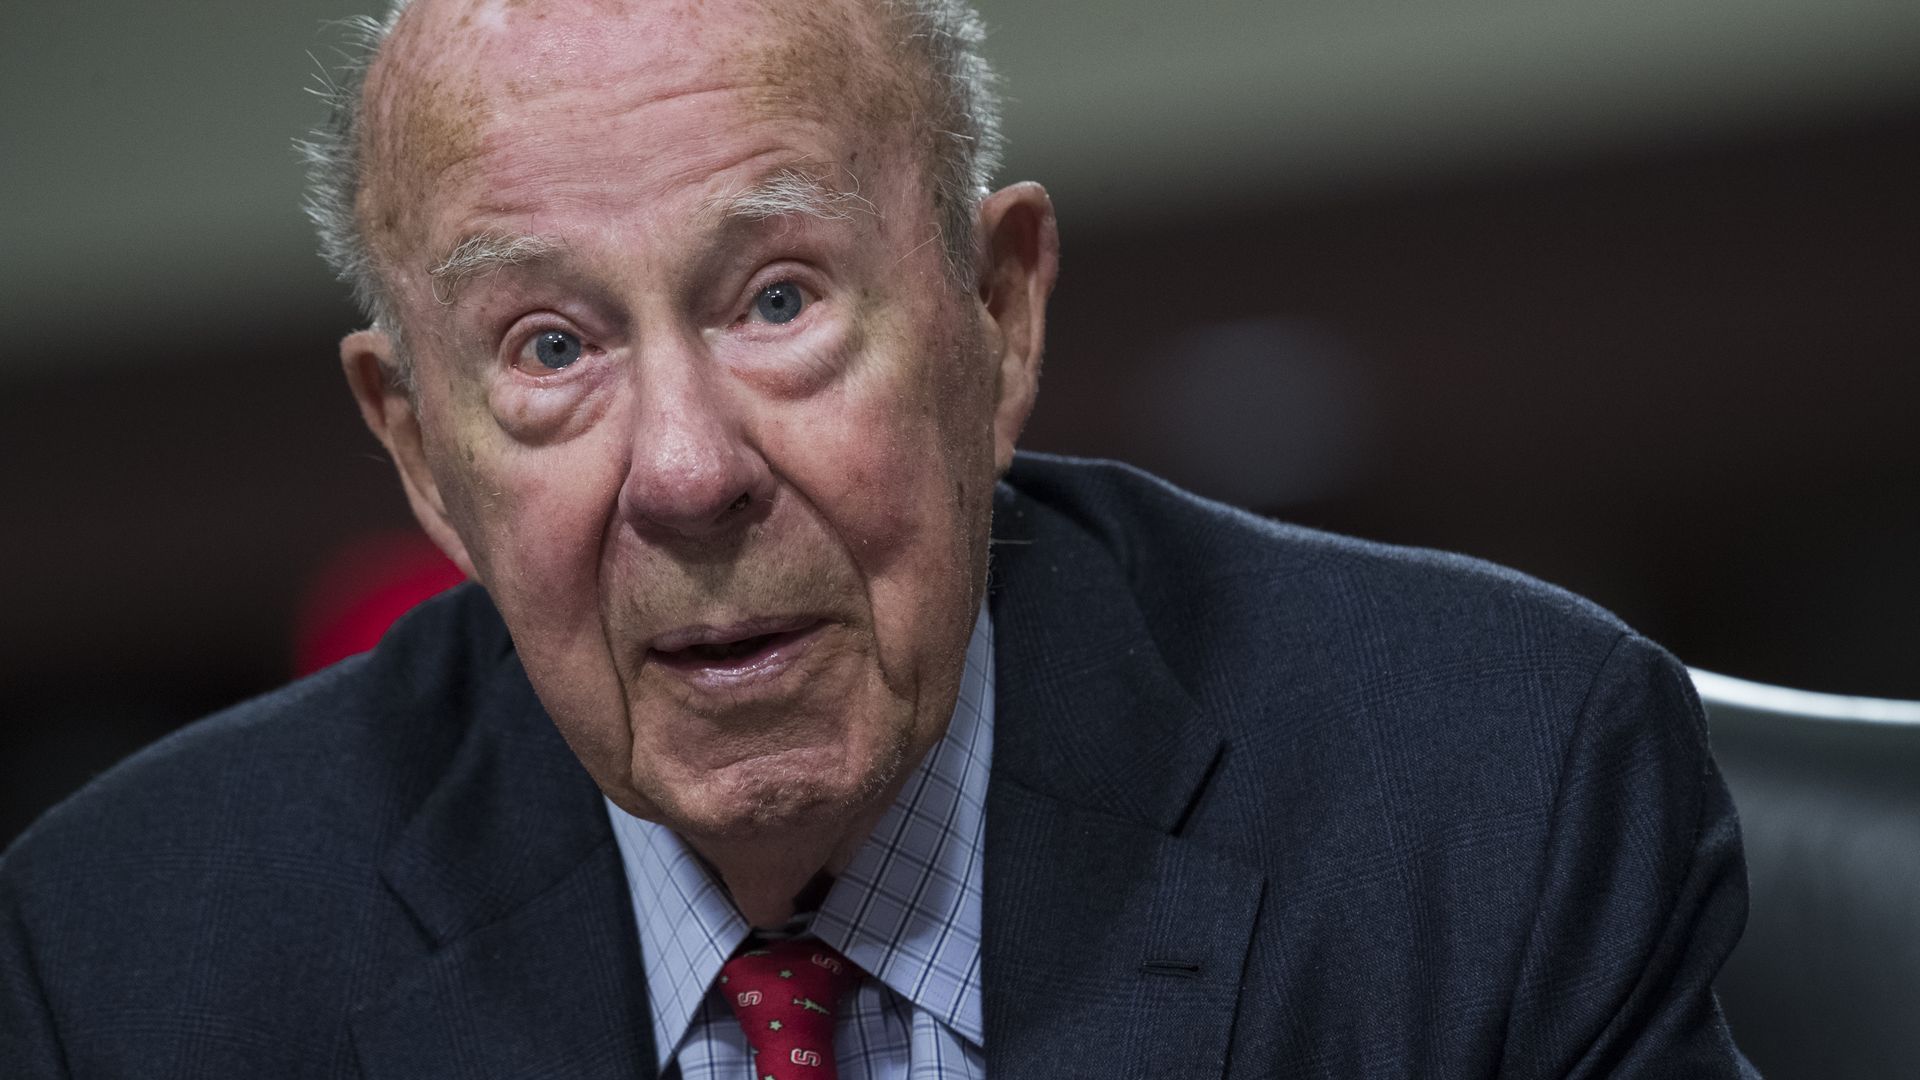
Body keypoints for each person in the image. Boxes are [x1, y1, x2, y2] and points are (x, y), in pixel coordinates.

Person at [0, 0, 1758, 1076]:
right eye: (550, 348)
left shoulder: (1494, 799)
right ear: (421, 457)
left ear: (999, 316)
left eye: (777, 299)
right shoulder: (128, 965)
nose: (686, 472)